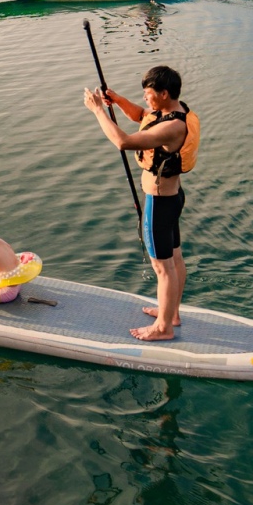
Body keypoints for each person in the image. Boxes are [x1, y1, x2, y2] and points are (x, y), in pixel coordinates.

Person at [82, 65, 192, 341]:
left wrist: (97, 110)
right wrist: (117, 101)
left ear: (164, 93)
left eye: (148, 93)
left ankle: (163, 328)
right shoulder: (176, 111)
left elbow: (124, 141)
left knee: (162, 268)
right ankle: (172, 314)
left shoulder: (171, 128)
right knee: (175, 257)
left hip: (159, 204)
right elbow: (143, 117)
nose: (145, 98)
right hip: (172, 198)